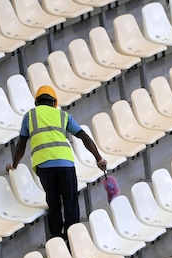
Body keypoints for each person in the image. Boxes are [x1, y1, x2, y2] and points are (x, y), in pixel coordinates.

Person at [6, 86, 107, 241]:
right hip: (65, 163)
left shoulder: (30, 116)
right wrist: (98, 158)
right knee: (70, 201)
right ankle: (72, 240)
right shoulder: (63, 115)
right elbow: (84, 137)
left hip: (44, 165)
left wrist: (14, 164)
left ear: (36, 102)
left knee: (53, 203)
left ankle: (56, 240)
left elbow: (21, 145)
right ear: (54, 103)